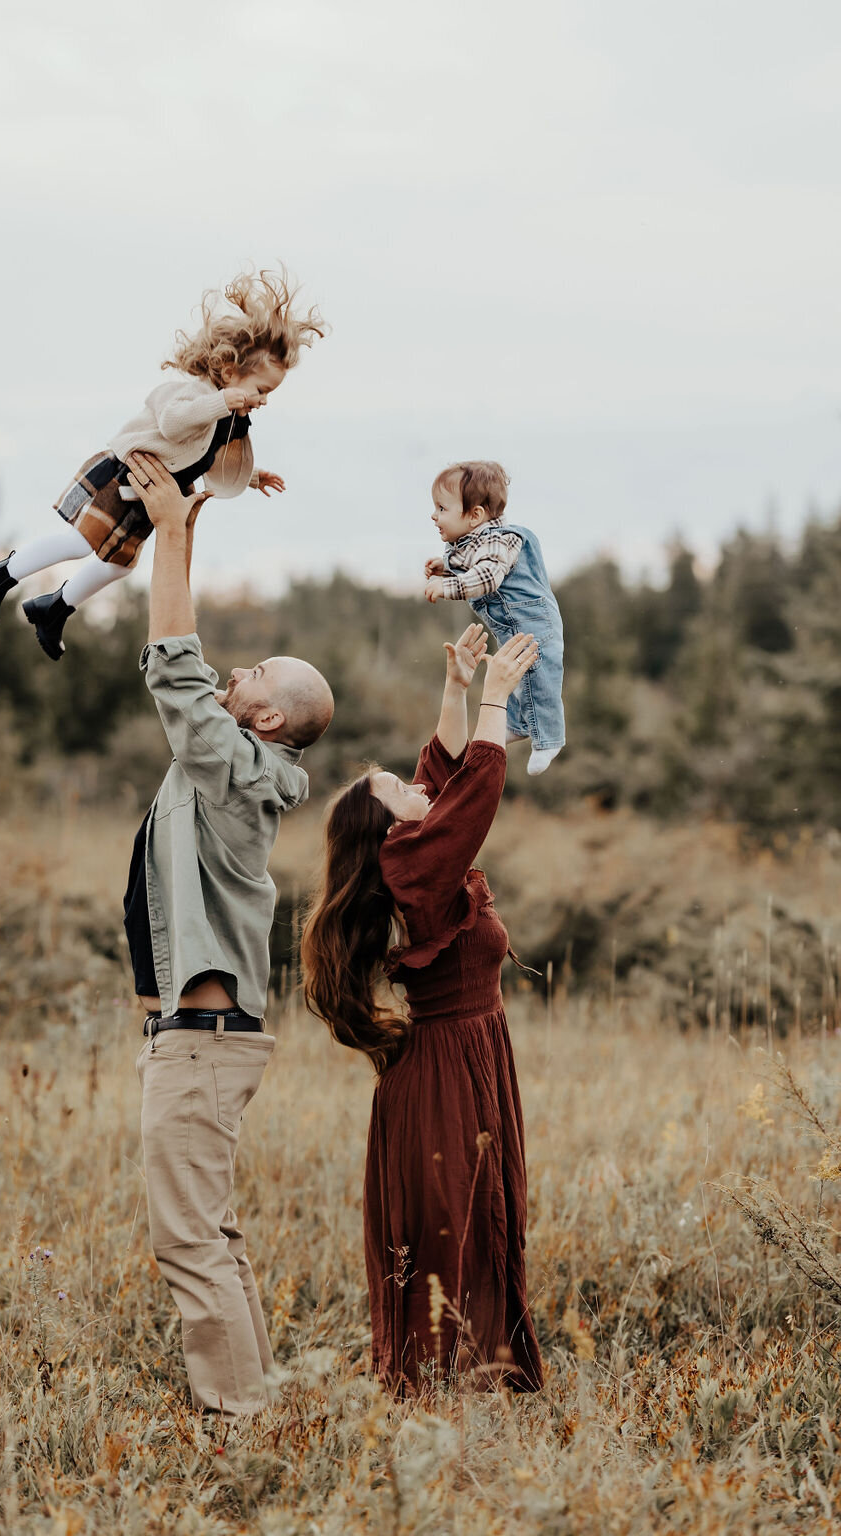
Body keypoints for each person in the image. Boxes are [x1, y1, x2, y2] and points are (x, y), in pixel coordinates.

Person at [122, 452, 334, 1416]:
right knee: (215, 1234)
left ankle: (241, 1425)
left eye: (249, 675)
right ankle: (259, 1408)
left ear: (269, 716)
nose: (232, 673)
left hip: (203, 1049)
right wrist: (188, 529)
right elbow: (185, 669)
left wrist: (170, 538)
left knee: (191, 1243)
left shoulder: (233, 770)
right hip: (199, 1040)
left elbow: (174, 666)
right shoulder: (231, 767)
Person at [302, 623, 544, 1396]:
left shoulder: (409, 865)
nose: (419, 789)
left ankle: (470, 1383)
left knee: (479, 1219)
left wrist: (456, 687)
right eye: (401, 794)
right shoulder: (414, 873)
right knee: (453, 1229)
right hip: (442, 1075)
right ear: (390, 833)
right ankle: (444, 1389)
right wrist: (496, 700)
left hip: (462, 1061)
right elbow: (468, 796)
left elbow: (439, 783)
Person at [0, 267, 326, 659]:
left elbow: (198, 459)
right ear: (229, 372)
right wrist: (221, 402)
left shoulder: (222, 418)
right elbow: (173, 424)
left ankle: (52, 608)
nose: (264, 400)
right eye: (262, 389)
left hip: (146, 496)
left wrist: (251, 477)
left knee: (119, 566)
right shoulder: (190, 393)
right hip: (122, 473)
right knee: (78, 543)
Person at [423, 460, 565, 774]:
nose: (434, 516)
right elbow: (474, 565)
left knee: (540, 677)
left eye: (442, 508)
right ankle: (517, 724)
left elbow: (487, 578)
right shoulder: (477, 542)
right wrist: (446, 568)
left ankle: (549, 739)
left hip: (534, 621)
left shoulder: (502, 541)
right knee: (513, 676)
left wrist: (448, 585)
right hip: (513, 623)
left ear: (475, 515)